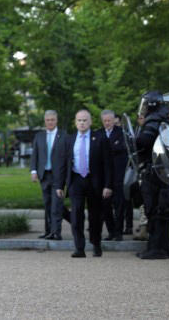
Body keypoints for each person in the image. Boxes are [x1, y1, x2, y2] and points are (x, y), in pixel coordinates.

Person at [56, 109, 113, 258]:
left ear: (90, 122)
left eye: (85, 120)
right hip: (76, 181)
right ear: (75, 122)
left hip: (94, 181)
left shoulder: (100, 138)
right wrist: (59, 185)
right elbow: (63, 164)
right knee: (76, 214)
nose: (82, 123)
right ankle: (79, 248)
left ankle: (96, 244)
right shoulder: (69, 139)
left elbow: (108, 164)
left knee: (95, 215)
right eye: (79, 120)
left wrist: (108, 185)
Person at [136, 91, 169, 259]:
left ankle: (156, 248)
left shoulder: (154, 119)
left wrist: (133, 139)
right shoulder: (163, 116)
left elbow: (145, 141)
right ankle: (161, 248)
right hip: (161, 169)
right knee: (161, 209)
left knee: (154, 209)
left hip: (153, 171)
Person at [29, 110, 70, 240]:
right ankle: (48, 231)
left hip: (58, 175)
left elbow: (67, 157)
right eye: (48, 120)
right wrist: (33, 171)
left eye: (52, 119)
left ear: (56, 121)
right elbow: (35, 154)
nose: (50, 122)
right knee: (47, 204)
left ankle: (56, 232)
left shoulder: (64, 136)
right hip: (44, 175)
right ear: (45, 121)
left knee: (56, 205)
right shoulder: (39, 136)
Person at [100, 109, 128, 241]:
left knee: (119, 205)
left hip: (118, 175)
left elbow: (122, 148)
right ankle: (111, 231)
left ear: (113, 120)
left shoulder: (121, 132)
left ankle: (118, 233)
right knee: (105, 206)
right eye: (104, 121)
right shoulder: (98, 134)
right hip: (104, 177)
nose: (107, 123)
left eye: (109, 121)